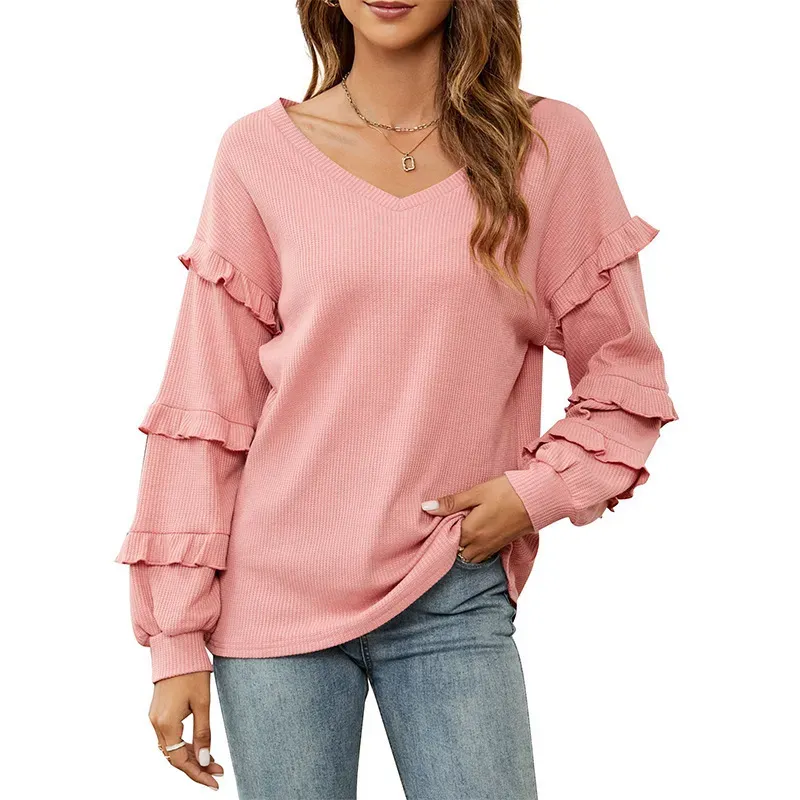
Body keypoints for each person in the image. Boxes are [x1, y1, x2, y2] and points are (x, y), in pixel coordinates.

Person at [114, 1, 679, 797]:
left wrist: (537, 492)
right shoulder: (257, 153)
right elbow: (206, 402)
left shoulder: (548, 146)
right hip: (272, 599)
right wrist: (175, 640)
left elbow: (624, 374)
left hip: (451, 586)